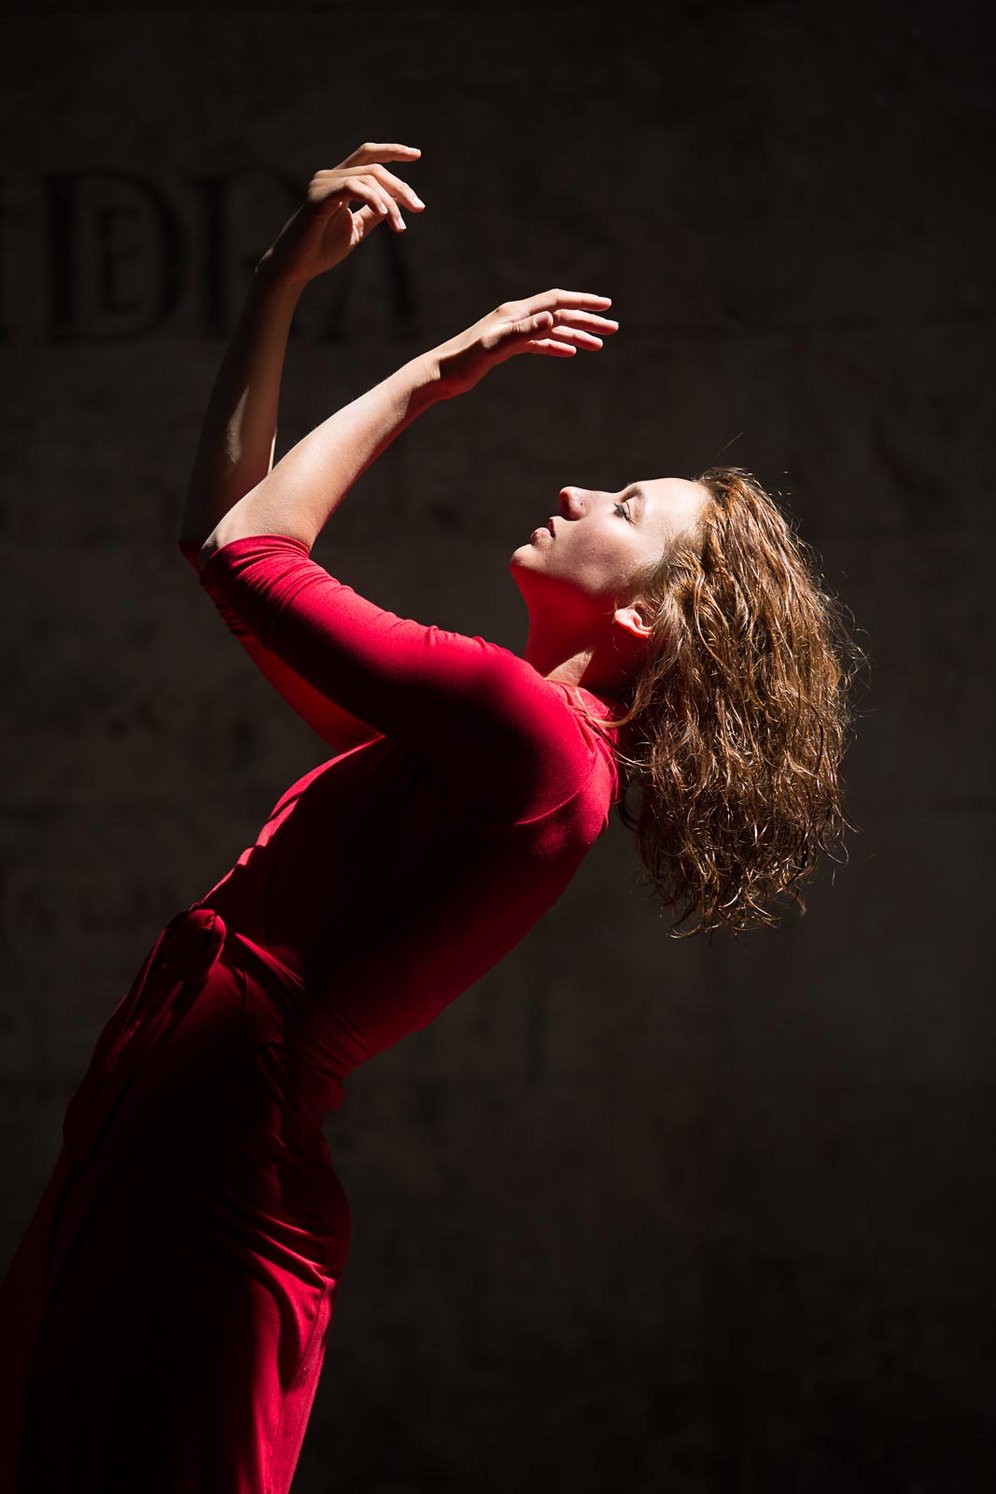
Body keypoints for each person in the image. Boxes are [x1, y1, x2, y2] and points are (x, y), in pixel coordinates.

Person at [0, 139, 856, 1493]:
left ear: (649, 616)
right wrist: (280, 284)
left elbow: (246, 551)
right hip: (176, 1134)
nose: (577, 491)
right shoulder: (504, 753)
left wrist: (434, 371)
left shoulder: (529, 740)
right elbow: (225, 542)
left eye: (625, 505)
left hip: (207, 1164)